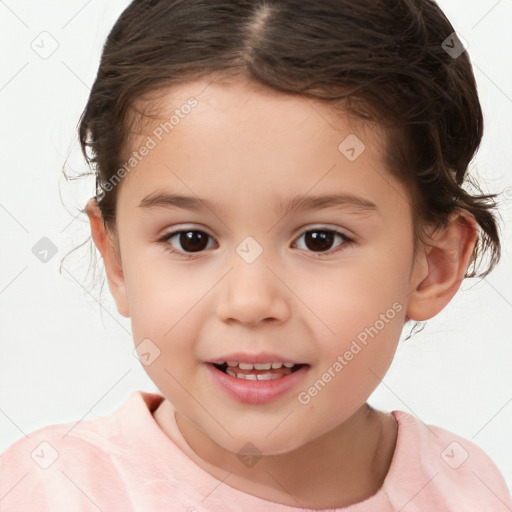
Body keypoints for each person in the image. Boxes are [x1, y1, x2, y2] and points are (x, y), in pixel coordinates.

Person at [1, 0, 510, 510]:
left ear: (434, 265)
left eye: (320, 239)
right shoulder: (51, 491)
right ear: (116, 258)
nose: (249, 302)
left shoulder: (465, 489)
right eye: (191, 239)